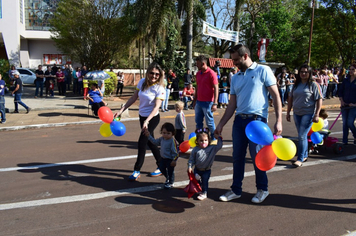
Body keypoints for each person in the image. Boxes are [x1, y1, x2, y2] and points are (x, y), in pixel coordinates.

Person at [214, 44, 282, 204]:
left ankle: (262, 189)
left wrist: (279, 121)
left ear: (245, 56)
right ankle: (236, 190)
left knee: (258, 156)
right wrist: (221, 124)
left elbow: (276, 96)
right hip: (239, 121)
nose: (234, 63)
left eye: (236, 59)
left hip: (257, 121)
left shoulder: (263, 71)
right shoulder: (235, 77)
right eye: (232, 60)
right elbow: (232, 105)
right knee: (237, 157)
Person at [114, 62, 166, 181]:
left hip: (152, 118)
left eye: (157, 74)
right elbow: (133, 98)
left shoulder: (160, 88)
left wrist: (147, 121)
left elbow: (156, 107)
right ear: (148, 72)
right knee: (151, 142)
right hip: (142, 117)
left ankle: (136, 170)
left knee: (142, 142)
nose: (154, 76)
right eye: (152, 73)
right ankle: (162, 165)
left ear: (160, 76)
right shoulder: (142, 82)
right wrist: (121, 110)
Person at [286, 64, 322, 167]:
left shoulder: (313, 85)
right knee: (303, 136)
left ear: (309, 73)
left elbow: (319, 99)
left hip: (308, 113)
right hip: (297, 113)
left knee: (301, 136)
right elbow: (290, 99)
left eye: (306, 72)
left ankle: (300, 158)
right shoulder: (296, 84)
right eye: (302, 72)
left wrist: (317, 114)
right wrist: (288, 112)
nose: (303, 74)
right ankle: (305, 154)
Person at [188, 128, 223, 200]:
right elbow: (191, 159)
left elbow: (219, 146)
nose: (203, 142)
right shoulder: (195, 149)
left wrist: (219, 138)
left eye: (205, 140)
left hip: (206, 170)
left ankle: (204, 193)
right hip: (197, 169)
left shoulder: (212, 148)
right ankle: (199, 189)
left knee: (205, 181)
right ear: (197, 141)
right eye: (201, 140)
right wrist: (190, 166)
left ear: (209, 140)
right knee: (196, 179)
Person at [144, 122, 179, 189]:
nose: (165, 135)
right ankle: (168, 178)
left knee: (170, 171)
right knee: (161, 168)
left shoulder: (172, 141)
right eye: (164, 133)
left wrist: (174, 160)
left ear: (172, 133)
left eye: (168, 133)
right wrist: (149, 136)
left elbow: (176, 152)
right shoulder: (162, 138)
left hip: (170, 159)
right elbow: (155, 142)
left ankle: (171, 182)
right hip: (163, 158)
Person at [193, 55, 219, 140]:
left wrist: (215, 103)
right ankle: (200, 138)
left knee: (210, 123)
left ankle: (214, 138)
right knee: (198, 122)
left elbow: (216, 88)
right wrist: (194, 100)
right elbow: (197, 87)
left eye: (198, 64)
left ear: (203, 63)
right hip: (199, 102)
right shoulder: (198, 74)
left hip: (208, 102)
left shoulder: (211, 73)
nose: (197, 65)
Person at [338, 63, 356, 145]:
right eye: (350, 69)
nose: (351, 71)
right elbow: (340, 91)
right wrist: (342, 101)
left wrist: (354, 104)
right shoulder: (346, 80)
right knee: (345, 124)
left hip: (353, 106)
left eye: (353, 69)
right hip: (345, 105)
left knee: (350, 122)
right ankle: (345, 140)